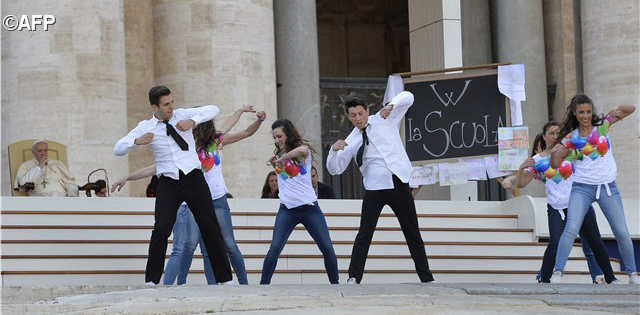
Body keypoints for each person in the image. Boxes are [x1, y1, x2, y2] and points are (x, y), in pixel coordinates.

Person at [112, 106, 265, 285]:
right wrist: (128, 177)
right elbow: (156, 167)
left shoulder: (216, 142)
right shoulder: (186, 146)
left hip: (217, 197)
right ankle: (178, 282)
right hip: (194, 195)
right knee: (188, 244)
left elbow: (242, 130)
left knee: (227, 243)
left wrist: (242, 112)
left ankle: (239, 282)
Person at [326, 92, 434, 284]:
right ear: (348, 116)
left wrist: (391, 105)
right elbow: (335, 170)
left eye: (361, 113)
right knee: (365, 232)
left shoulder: (385, 118)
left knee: (412, 232)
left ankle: (427, 278)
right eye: (353, 115)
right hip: (375, 188)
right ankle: (353, 277)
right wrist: (333, 152)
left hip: (399, 183)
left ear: (367, 111)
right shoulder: (351, 140)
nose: (358, 118)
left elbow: (409, 97)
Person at [549, 94, 638, 284]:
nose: (585, 116)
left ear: (592, 112)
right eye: (581, 112)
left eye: (588, 112)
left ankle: (632, 274)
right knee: (571, 228)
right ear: (575, 113)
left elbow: (631, 109)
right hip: (582, 188)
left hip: (607, 187)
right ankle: (557, 272)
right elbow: (556, 165)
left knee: (621, 232)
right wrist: (555, 154)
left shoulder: (603, 126)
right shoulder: (571, 138)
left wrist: (617, 107)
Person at [514, 121, 616, 284]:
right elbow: (520, 184)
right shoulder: (537, 160)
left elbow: (591, 149)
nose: (555, 136)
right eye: (551, 133)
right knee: (555, 242)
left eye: (558, 133)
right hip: (556, 207)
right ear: (544, 136)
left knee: (595, 241)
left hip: (579, 203)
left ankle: (611, 278)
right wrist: (520, 169)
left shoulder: (571, 152)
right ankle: (544, 279)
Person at [260, 119, 339, 284]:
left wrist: (282, 158)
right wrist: (278, 159)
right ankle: (263, 286)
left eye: (279, 136)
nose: (276, 140)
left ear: (288, 134)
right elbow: (283, 174)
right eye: (274, 137)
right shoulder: (278, 156)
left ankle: (335, 284)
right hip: (287, 210)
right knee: (274, 248)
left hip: (310, 209)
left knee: (326, 247)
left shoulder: (303, 152)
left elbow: (302, 149)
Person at [14, 140, 79, 197]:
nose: (43, 153)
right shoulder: (26, 166)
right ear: (33, 152)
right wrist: (39, 167)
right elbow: (23, 183)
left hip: (62, 199)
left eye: (45, 150)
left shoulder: (57, 163)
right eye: (40, 151)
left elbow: (71, 184)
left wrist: (72, 198)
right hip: (39, 202)